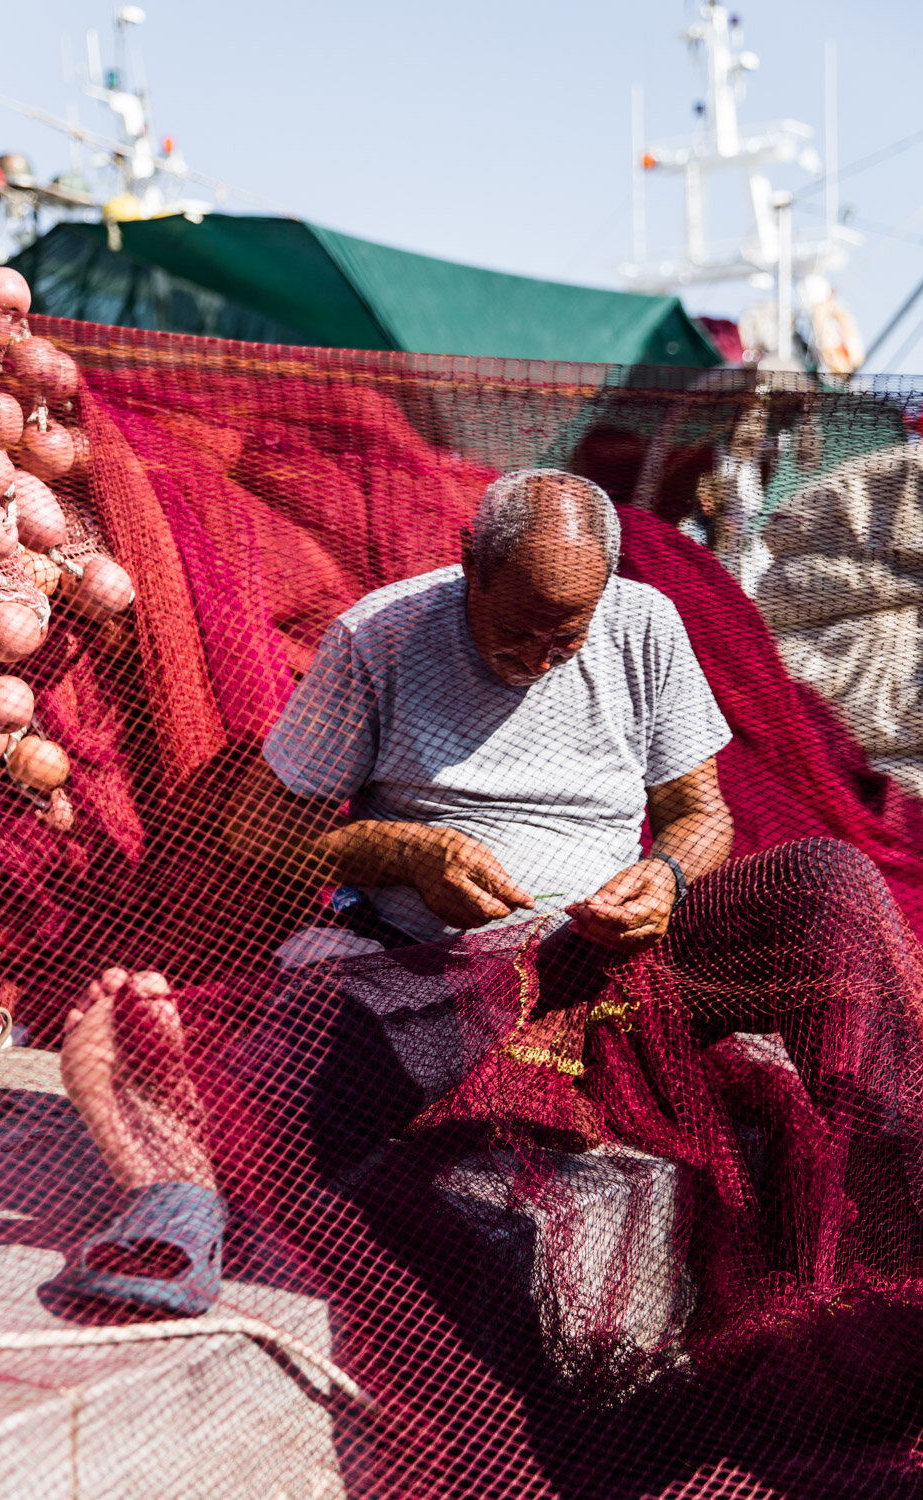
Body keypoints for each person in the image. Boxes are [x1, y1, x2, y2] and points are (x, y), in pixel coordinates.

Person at [58, 469, 923, 1315]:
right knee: (334, 1057)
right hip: (442, 968)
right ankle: (177, 1167)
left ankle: (898, 1190)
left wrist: (664, 876)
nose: (538, 660)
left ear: (608, 590)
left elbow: (700, 813)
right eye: (515, 632)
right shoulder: (380, 639)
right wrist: (403, 852)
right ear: (469, 558)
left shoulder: (646, 628)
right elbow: (254, 831)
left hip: (627, 962)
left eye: (566, 637)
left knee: (829, 883)